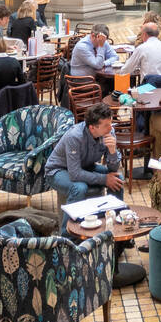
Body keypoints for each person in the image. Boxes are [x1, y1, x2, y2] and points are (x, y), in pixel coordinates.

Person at [48, 101, 123, 235]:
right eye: (106, 125)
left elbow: (113, 168)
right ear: (92, 128)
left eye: (110, 123)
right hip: (57, 170)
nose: (110, 127)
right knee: (79, 188)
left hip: (86, 166)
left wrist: (112, 151)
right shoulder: (75, 137)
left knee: (118, 179)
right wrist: (104, 179)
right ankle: (66, 237)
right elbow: (75, 174)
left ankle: (115, 226)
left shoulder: (109, 132)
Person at [119, 21, 161, 86]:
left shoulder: (141, 48)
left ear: (144, 34)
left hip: (149, 88)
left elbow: (126, 70)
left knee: (131, 93)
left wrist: (119, 72)